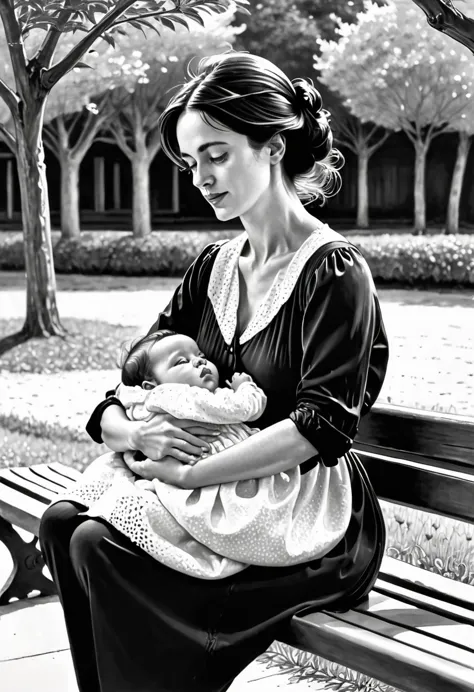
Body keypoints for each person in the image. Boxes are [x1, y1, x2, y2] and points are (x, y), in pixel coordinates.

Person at [39, 51, 389, 692]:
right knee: (63, 524)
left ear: (274, 146)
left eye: (217, 154)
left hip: (305, 514)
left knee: (98, 546)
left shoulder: (336, 274)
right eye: (190, 160)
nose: (200, 176)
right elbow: (129, 381)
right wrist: (137, 436)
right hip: (211, 497)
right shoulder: (214, 267)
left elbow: (321, 431)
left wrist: (190, 471)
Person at [60, 328, 352, 579]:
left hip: (203, 469)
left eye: (199, 355)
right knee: (70, 526)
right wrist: (246, 387)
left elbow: (119, 395)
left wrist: (136, 434)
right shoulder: (194, 398)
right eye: (182, 362)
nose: (199, 362)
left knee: (78, 529)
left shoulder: (143, 396)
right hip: (211, 469)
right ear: (152, 383)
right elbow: (244, 408)